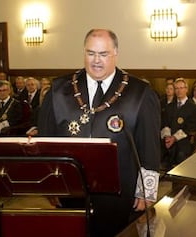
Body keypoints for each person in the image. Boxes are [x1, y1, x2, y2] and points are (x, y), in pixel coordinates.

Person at [38, 29, 160, 236]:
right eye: (90, 53)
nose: (96, 61)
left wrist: (147, 189)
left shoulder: (139, 93)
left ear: (115, 53)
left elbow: (149, 145)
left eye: (103, 54)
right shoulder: (59, 90)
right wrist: (50, 184)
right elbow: (46, 140)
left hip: (121, 193)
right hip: (71, 191)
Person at [161, 78, 196, 170]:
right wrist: (167, 137)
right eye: (176, 88)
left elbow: (191, 127)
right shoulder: (170, 106)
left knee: (180, 153)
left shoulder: (192, 107)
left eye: (181, 88)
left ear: (186, 89)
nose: (179, 91)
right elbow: (164, 123)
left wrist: (174, 138)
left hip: (184, 138)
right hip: (168, 136)